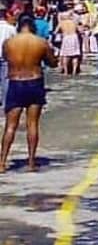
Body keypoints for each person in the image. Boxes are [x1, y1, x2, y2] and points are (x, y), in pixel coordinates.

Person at [0, 13, 57, 172]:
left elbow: (6, 58)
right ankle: (31, 162)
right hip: (34, 81)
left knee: (10, 125)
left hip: (16, 82)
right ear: (33, 26)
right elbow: (52, 63)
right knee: (32, 124)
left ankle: (2, 162)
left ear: (19, 26)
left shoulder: (9, 43)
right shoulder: (41, 42)